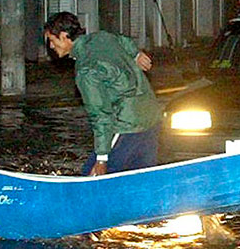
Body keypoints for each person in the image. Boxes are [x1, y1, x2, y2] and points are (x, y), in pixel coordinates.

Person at [43, 11, 163, 176]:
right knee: (140, 177)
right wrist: (136, 53)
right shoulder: (101, 37)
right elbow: (122, 40)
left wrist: (101, 160)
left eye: (52, 40)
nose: (51, 46)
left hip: (128, 124)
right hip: (152, 114)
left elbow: (100, 115)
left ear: (64, 36)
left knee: (90, 178)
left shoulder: (86, 71)